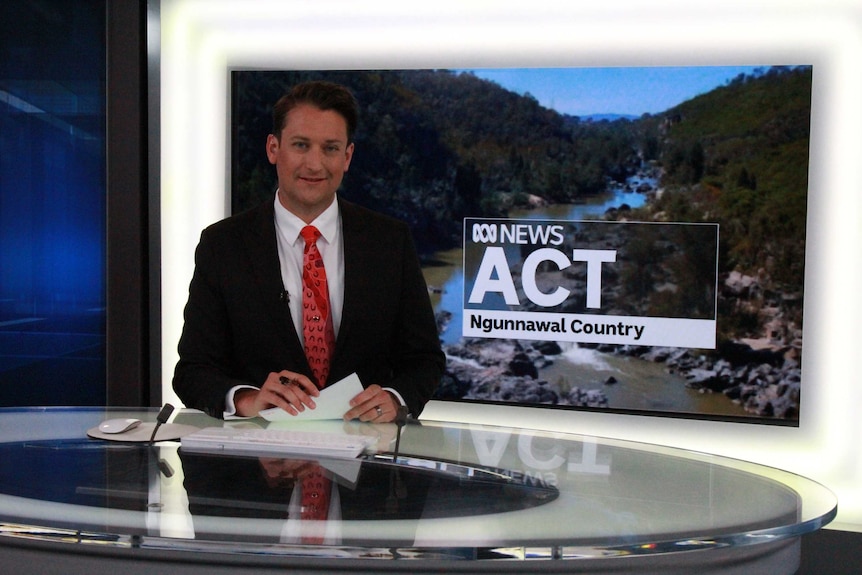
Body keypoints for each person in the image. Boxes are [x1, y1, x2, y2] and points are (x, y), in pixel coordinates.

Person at [173, 80, 445, 423]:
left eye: (330, 148)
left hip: (365, 461)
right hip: (259, 462)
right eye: (301, 145)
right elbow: (192, 371)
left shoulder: (390, 241)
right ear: (274, 148)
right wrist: (245, 399)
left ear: (347, 157)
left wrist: (395, 398)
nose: (315, 164)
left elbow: (424, 360)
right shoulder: (222, 245)